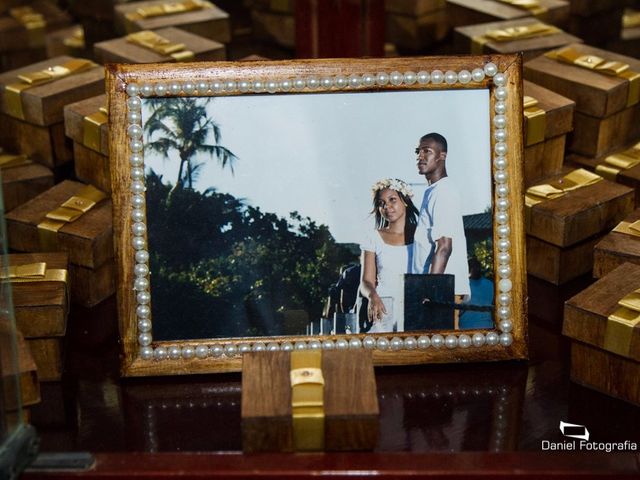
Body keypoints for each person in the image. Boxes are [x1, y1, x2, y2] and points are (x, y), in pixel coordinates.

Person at [411, 133, 470, 312]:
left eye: (426, 151)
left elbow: (444, 246)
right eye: (417, 152)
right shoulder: (433, 190)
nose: (420, 157)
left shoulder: (443, 191)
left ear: (441, 156)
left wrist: (431, 291)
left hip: (442, 292)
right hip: (437, 290)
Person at [358, 178, 419, 333]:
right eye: (381, 203)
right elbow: (366, 281)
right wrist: (372, 296)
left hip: (416, 309)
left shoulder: (422, 235)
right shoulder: (373, 237)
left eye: (392, 200)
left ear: (405, 201)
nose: (387, 207)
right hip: (384, 309)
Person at [459, 257, 494, 329]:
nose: (476, 269)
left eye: (477, 266)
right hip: (467, 327)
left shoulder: (490, 284)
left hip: (485, 326)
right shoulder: (463, 285)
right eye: (473, 267)